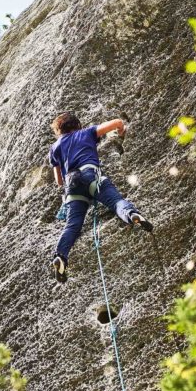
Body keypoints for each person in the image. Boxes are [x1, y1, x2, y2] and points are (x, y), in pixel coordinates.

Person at [49, 112, 152, 283]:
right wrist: (122, 131)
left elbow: (59, 181)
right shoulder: (86, 132)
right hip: (91, 175)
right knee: (116, 202)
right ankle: (131, 214)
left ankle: (61, 256)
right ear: (77, 124)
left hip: (72, 186)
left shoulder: (55, 147)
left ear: (59, 130)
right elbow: (117, 122)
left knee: (72, 225)